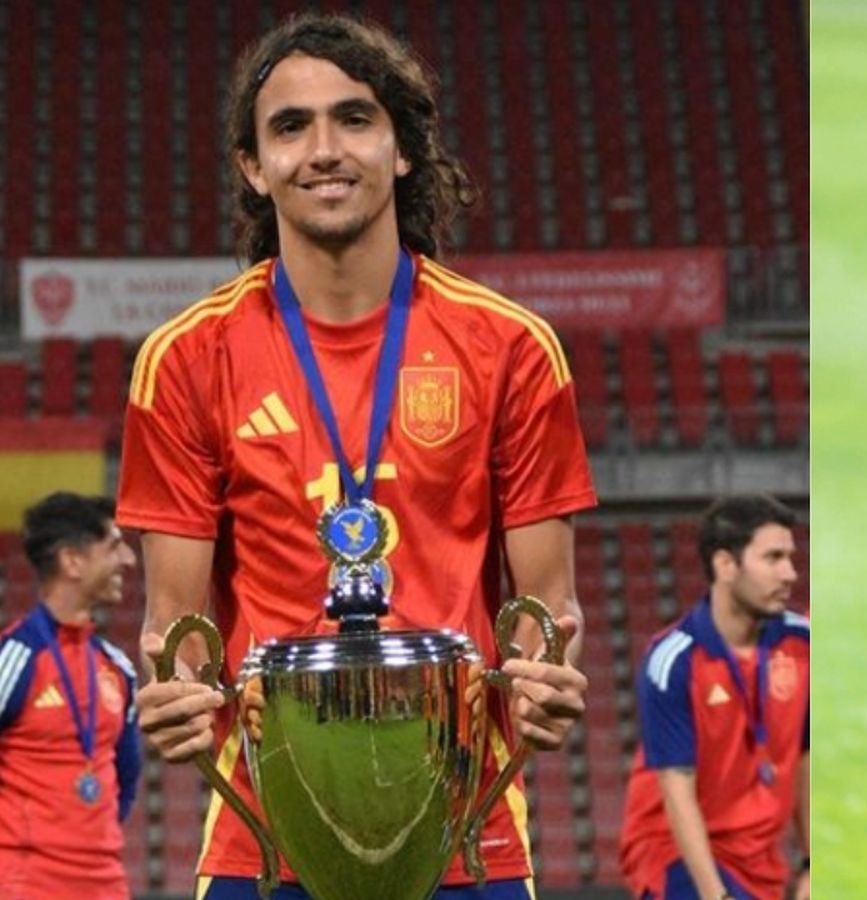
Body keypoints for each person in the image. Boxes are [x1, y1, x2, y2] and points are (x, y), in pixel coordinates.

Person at [117, 14, 597, 900]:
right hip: (263, 844)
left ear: (404, 149)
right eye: (290, 127)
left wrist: (543, 680)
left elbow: (546, 607)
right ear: (253, 168)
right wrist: (178, 697)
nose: (324, 149)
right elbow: (176, 627)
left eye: (355, 118)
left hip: (468, 838)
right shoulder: (186, 358)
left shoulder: (511, 347)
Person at [619, 496, 810, 900]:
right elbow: (676, 789)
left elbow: (806, 756)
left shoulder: (803, 643)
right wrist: (715, 895)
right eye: (773, 558)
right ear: (725, 565)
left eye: (790, 558)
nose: (790, 573)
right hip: (677, 855)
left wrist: (813, 864)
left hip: (760, 861)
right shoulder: (673, 659)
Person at [0, 492, 141, 900]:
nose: (129, 561)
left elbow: (125, 781)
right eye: (114, 546)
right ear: (72, 561)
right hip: (25, 884)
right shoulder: (15, 659)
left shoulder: (118, 670)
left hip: (106, 884)